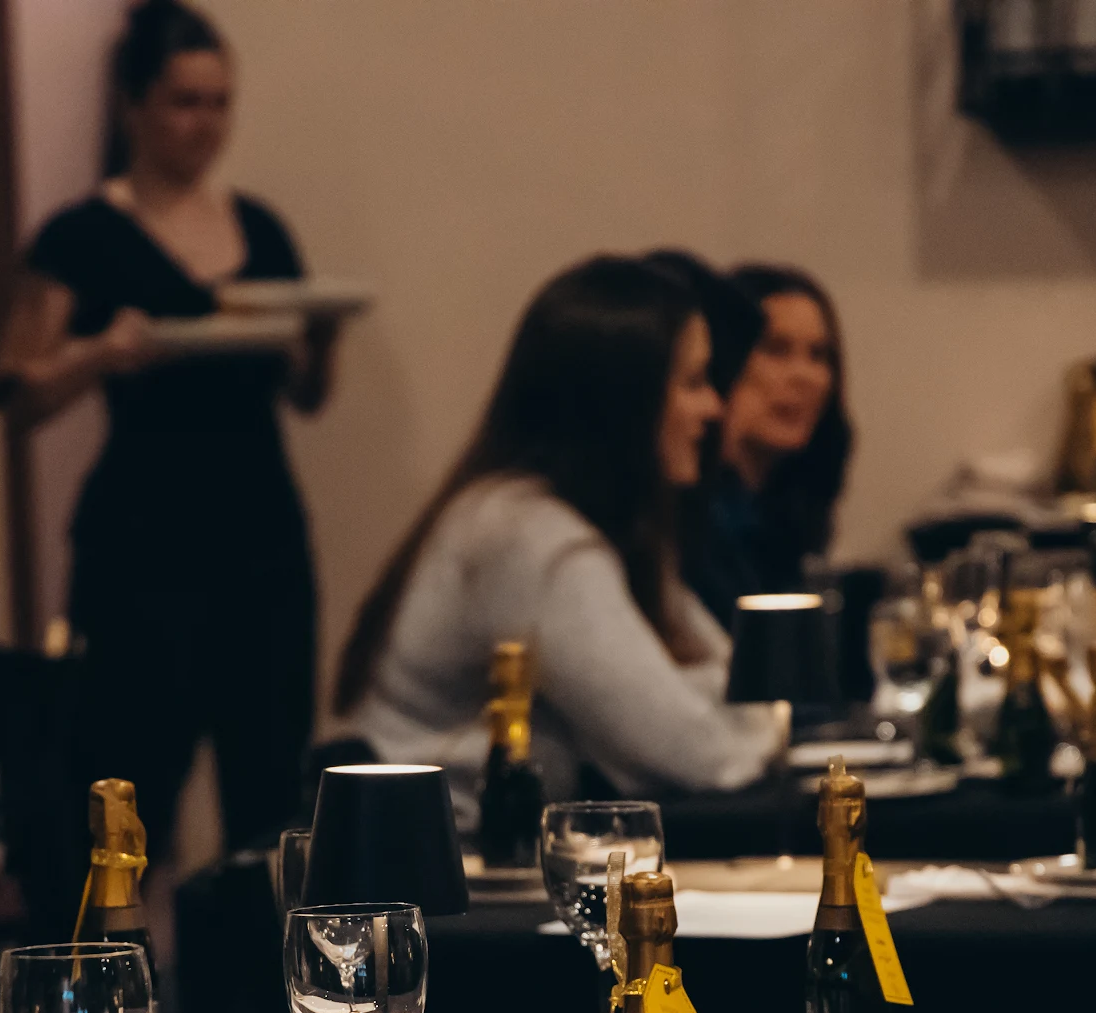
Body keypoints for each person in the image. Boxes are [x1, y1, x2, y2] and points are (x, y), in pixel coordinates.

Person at [0, 0, 334, 857]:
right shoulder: (81, 235)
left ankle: (264, 985)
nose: (205, 123)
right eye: (185, 101)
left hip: (261, 537)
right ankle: (131, 981)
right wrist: (99, 355)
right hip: (142, 545)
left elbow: (307, 392)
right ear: (134, 106)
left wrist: (318, 340)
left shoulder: (260, 229)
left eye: (219, 102)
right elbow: (17, 393)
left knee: (270, 789)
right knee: (130, 791)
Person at [334, 256, 781, 813]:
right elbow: (699, 752)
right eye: (691, 383)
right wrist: (753, 719)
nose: (713, 408)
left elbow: (741, 685)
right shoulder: (528, 536)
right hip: (424, 870)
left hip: (485, 854)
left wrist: (741, 711)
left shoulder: (601, 523)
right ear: (623, 399)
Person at [682, 264, 854, 628]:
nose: (804, 376)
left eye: (819, 355)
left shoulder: (786, 505)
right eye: (776, 349)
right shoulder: (691, 514)